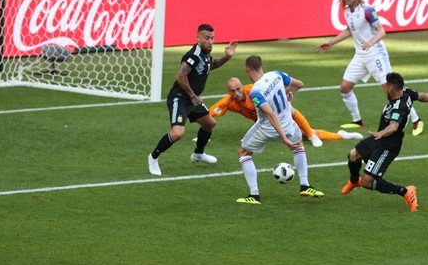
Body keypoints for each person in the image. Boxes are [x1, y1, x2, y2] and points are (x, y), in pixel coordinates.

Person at [316, 0, 424, 136]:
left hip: (376, 55)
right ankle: (357, 121)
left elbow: (381, 31)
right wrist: (331, 43)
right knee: (345, 88)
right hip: (360, 55)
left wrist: (370, 43)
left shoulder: (367, 10)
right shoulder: (347, 11)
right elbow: (349, 30)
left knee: (391, 90)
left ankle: (416, 120)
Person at [340, 72, 428, 212]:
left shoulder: (398, 107)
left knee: (368, 182)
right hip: (378, 139)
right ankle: (354, 181)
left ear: (391, 88)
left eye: (385, 84)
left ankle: (406, 191)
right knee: (353, 155)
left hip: (388, 145)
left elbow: (393, 127)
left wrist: (380, 133)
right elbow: (421, 96)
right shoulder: (405, 92)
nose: (383, 86)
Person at [147, 24, 238, 176]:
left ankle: (198, 154)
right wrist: (193, 96)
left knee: (209, 124)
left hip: (192, 99)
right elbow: (180, 76)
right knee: (177, 133)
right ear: (198, 38)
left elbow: (211, 65)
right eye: (206, 38)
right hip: (180, 98)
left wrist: (227, 57)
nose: (210, 41)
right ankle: (153, 157)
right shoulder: (193, 55)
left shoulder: (206, 53)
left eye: (212, 38)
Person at [235, 55, 325, 205]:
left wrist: (283, 139)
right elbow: (300, 84)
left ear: (247, 70)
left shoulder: (255, 92)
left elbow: (270, 114)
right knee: (299, 147)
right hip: (289, 125)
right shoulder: (276, 74)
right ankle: (305, 185)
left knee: (244, 153)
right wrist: (286, 92)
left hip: (267, 129)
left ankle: (254, 195)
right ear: (261, 66)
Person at [210, 77, 364, 147]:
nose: (236, 92)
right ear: (228, 92)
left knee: (298, 121)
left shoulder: (253, 91)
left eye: (238, 89)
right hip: (271, 125)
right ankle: (339, 135)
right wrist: (205, 130)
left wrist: (286, 94)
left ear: (242, 86)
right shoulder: (229, 102)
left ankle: (327, 135)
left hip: (280, 114)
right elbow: (211, 112)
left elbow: (273, 93)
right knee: (300, 137)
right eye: (232, 91)